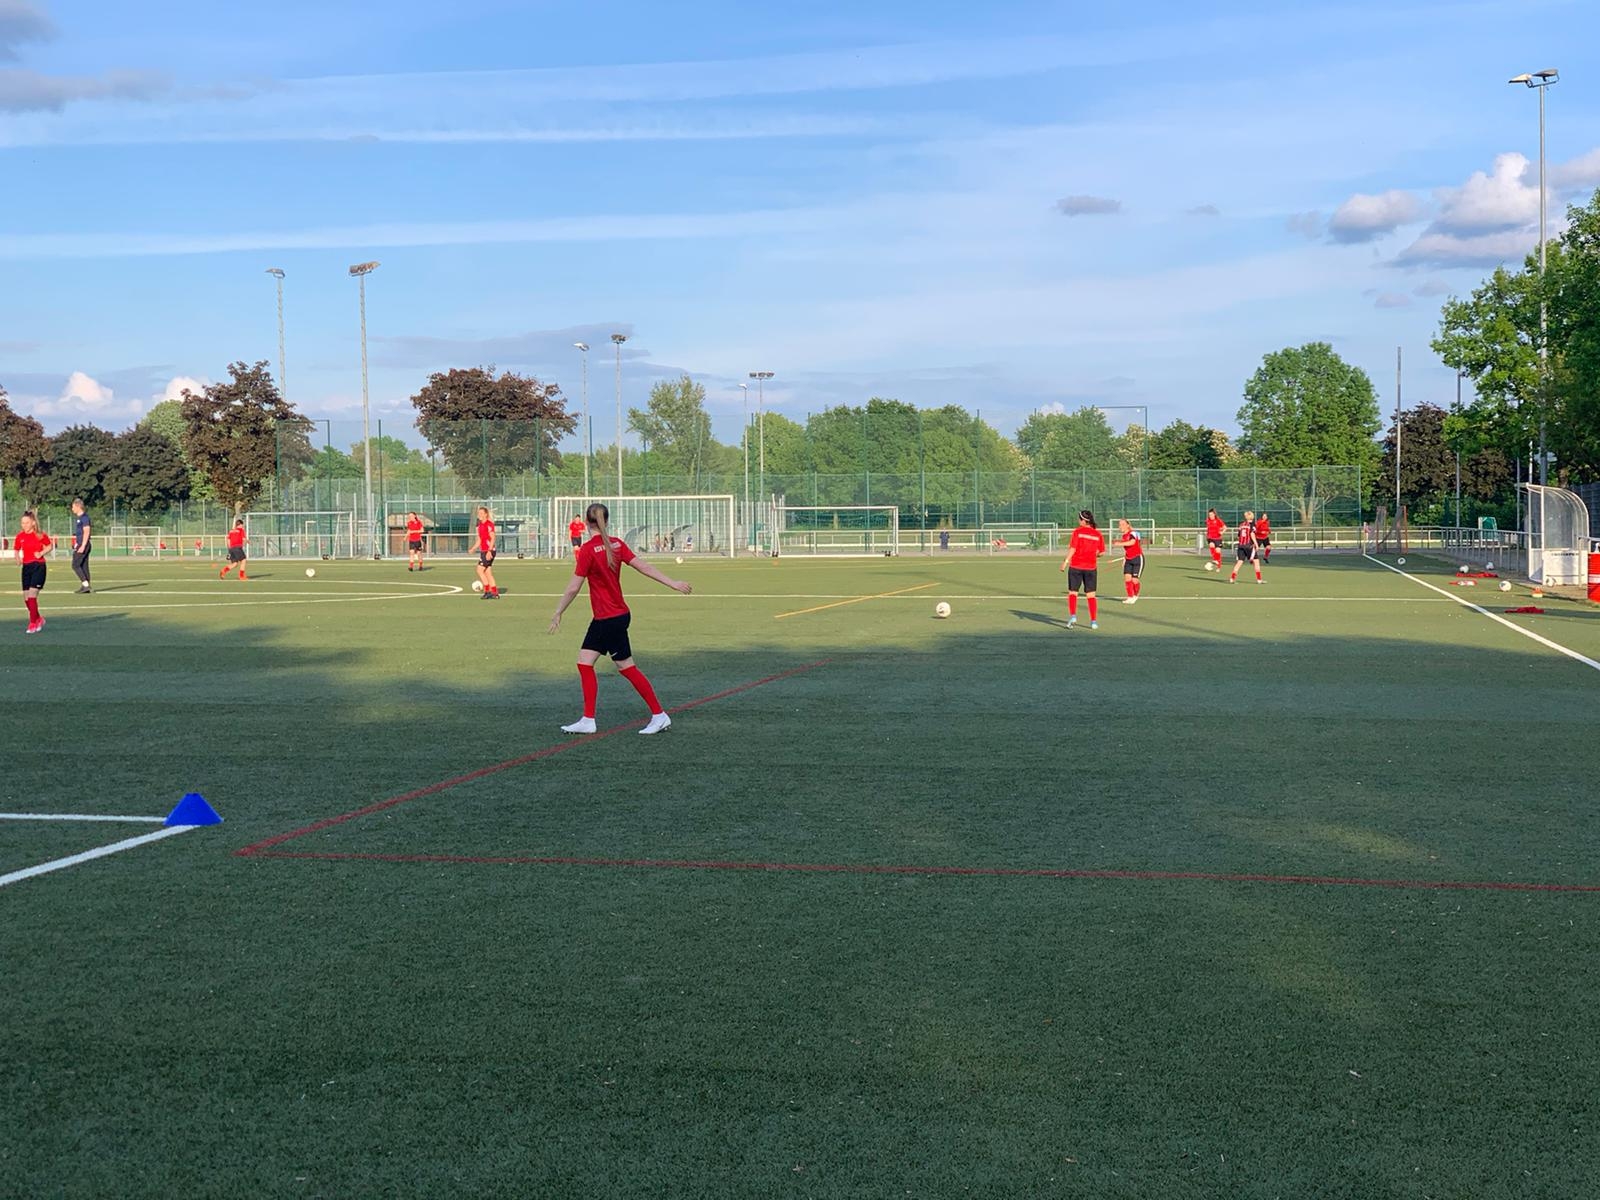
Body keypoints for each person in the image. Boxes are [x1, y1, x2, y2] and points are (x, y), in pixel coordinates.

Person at [549, 502, 692, 735]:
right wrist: (672, 583)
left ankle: (659, 715)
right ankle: (588, 719)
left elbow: (574, 588)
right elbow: (643, 567)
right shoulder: (617, 544)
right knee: (584, 662)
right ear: (606, 521)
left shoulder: (588, 550)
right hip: (611, 616)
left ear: (586, 523)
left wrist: (558, 611)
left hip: (609, 619)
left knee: (626, 667)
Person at [1057, 509, 1105, 629]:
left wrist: (1065, 562)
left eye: (1079, 519)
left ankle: (1073, 616)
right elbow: (1101, 552)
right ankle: (1093, 622)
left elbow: (1073, 549)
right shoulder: (1098, 534)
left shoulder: (1078, 532)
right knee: (1091, 595)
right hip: (1091, 568)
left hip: (1076, 566)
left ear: (1083, 520)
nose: (1078, 521)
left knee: (1073, 592)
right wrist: (1094, 554)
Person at [14, 510, 53, 633]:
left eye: (26, 523)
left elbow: (49, 546)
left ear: (33, 523)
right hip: (26, 568)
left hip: (38, 567)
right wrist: (17, 558)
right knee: (26, 598)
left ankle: (32, 624)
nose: (24, 525)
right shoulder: (20, 536)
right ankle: (38, 619)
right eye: (22, 523)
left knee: (32, 596)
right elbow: (16, 549)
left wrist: (41, 553)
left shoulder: (39, 535)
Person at [1111, 519, 1144, 604]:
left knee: (1134, 580)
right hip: (1128, 559)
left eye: (1122, 524)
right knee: (1127, 579)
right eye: (1119, 525)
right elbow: (1128, 549)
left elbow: (1132, 542)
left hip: (1137, 558)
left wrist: (1119, 544)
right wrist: (1125, 558)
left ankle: (1136, 595)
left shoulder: (1133, 533)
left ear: (1128, 525)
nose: (1120, 526)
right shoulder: (1124, 536)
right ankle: (1130, 597)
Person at [1229, 510, 1263, 584]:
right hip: (1249, 545)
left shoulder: (1241, 525)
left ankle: (1232, 578)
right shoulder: (1252, 525)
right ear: (1252, 516)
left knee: (1239, 562)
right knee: (1256, 562)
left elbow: (1239, 535)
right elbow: (1252, 534)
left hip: (1241, 545)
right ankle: (1259, 579)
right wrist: (1256, 544)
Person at [475, 506, 500, 599]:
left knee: (479, 570)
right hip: (484, 551)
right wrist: (473, 548)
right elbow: (480, 540)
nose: (479, 515)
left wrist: (489, 551)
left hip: (488, 551)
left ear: (486, 514)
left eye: (481, 513)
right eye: (478, 513)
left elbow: (493, 538)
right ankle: (495, 593)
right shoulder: (480, 526)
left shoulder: (489, 524)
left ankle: (487, 591)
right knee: (488, 572)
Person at [70, 498, 92, 593]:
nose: (72, 509)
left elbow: (87, 531)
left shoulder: (84, 518)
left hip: (84, 545)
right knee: (83, 565)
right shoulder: (79, 518)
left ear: (78, 506)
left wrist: (83, 545)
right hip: (80, 544)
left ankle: (86, 584)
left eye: (73, 507)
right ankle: (86, 586)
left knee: (75, 565)